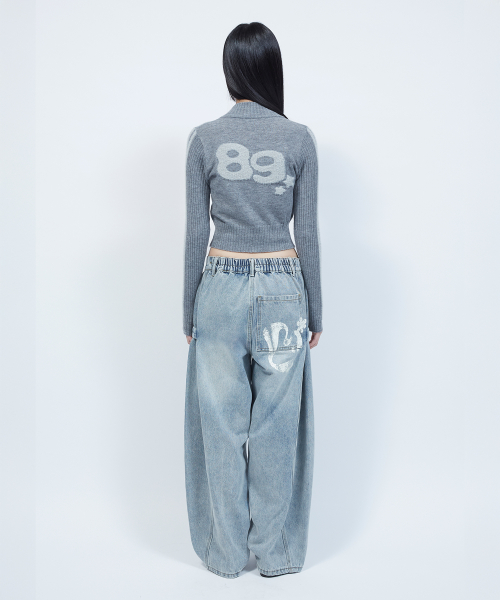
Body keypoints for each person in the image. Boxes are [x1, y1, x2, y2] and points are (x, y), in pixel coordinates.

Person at [182, 21, 323, 579]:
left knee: (219, 425)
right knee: (277, 425)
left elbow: (196, 233)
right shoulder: (299, 140)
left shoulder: (204, 140)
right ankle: (276, 554)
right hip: (284, 290)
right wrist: (317, 309)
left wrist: (187, 310)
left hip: (219, 287)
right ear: (272, 70)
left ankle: (224, 554)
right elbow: (306, 233)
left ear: (230, 71)